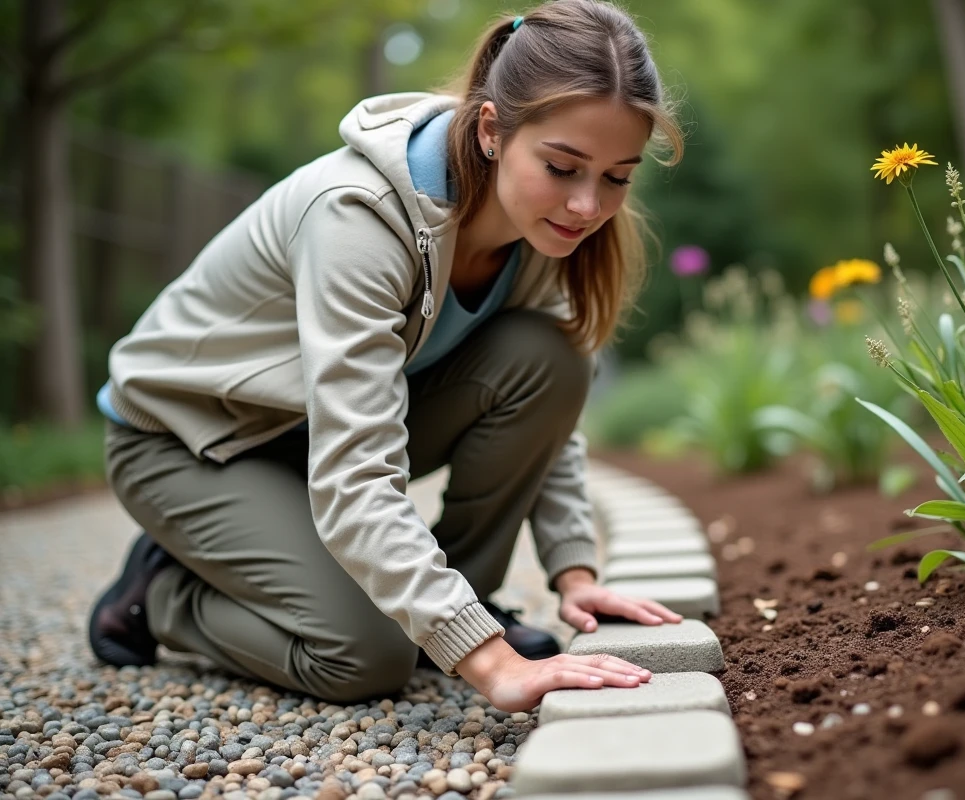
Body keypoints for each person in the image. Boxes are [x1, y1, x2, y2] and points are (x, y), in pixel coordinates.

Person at [86, 0, 686, 712]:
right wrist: (492, 667)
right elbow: (355, 476)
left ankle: (461, 610)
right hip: (188, 444)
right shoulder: (359, 216)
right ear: (493, 129)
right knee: (364, 657)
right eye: (563, 167)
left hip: (307, 431)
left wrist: (575, 574)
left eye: (617, 177)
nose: (588, 206)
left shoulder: (540, 226)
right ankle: (162, 593)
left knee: (551, 357)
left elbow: (546, 409)